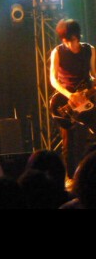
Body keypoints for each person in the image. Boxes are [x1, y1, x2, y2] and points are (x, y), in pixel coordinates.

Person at [50, 19, 96, 179]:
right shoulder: (58, 52)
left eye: (72, 40)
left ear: (78, 36)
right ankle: (71, 179)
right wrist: (70, 95)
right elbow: (53, 79)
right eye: (66, 41)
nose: (70, 44)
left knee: (86, 139)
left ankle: (87, 176)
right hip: (65, 101)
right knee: (68, 144)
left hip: (86, 100)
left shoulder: (89, 50)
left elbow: (94, 75)